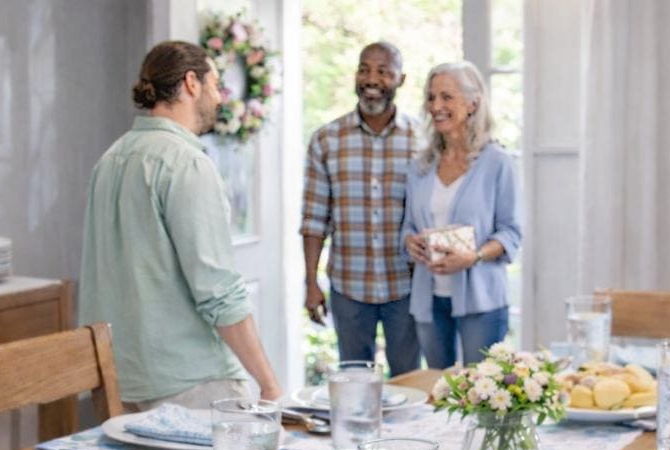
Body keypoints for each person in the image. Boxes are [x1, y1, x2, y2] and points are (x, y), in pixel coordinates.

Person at [78, 41, 281, 410]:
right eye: (216, 84)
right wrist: (268, 382)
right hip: (188, 381)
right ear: (191, 83)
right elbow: (218, 290)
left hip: (119, 380)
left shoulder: (109, 160)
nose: (220, 98)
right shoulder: (186, 163)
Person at [301, 42, 422, 376]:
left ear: (401, 79)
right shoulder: (326, 139)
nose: (372, 78)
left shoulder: (423, 140)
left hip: (407, 286)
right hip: (349, 286)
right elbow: (313, 219)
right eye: (365, 69)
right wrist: (311, 283)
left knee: (410, 381)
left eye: (384, 71)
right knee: (354, 382)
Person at [402, 61, 521, 369]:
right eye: (431, 97)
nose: (436, 106)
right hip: (428, 299)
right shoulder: (420, 166)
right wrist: (409, 242)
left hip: (482, 300)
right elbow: (410, 225)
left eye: (446, 97)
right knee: (437, 390)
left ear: (472, 103)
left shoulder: (498, 162)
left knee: (482, 391)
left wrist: (475, 256)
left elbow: (511, 233)